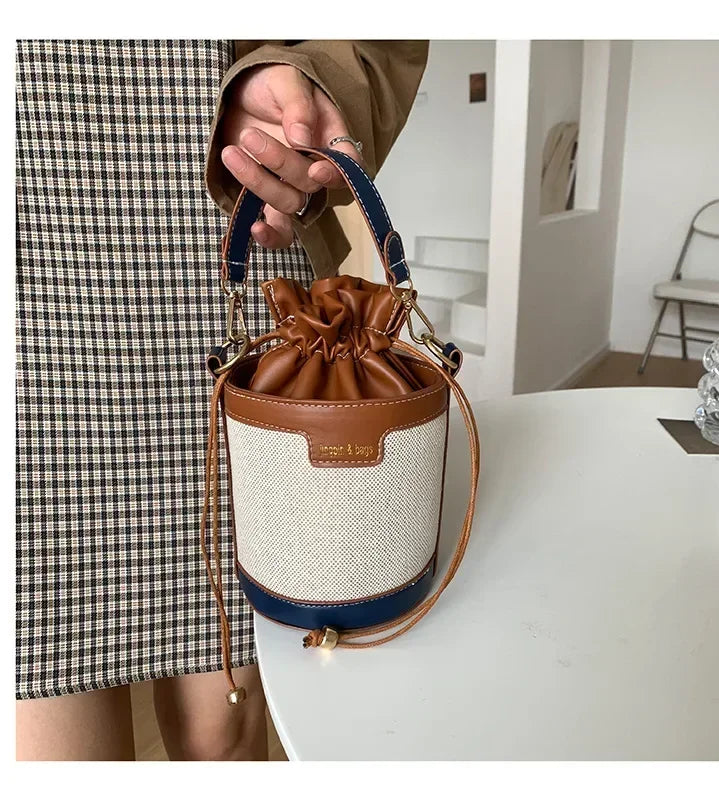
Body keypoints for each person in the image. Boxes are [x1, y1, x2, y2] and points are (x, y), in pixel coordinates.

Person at [16, 39, 428, 761]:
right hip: (26, 272)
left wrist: (313, 73)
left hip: (228, 213)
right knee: (52, 732)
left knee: (225, 739)